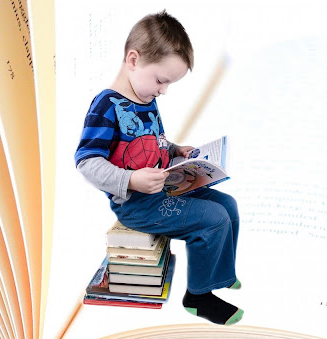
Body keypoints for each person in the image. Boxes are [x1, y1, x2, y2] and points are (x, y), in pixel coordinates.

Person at [74, 10, 243, 326]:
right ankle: (198, 296)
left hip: (166, 187)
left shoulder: (144, 96)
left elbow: (154, 142)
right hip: (138, 206)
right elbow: (86, 161)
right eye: (162, 80)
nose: (163, 90)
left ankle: (220, 274)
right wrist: (130, 179)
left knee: (228, 206)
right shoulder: (106, 106)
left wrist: (177, 150)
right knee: (213, 219)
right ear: (133, 60)